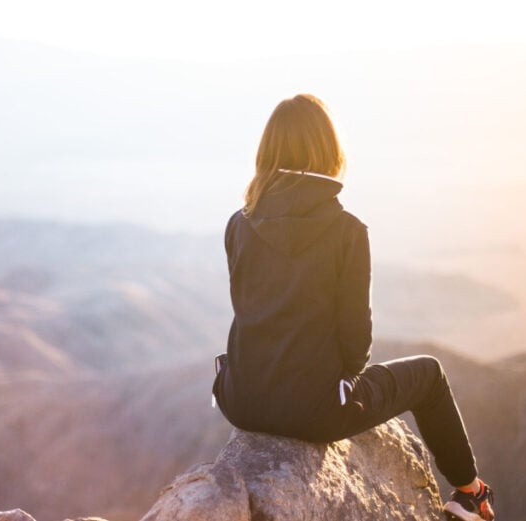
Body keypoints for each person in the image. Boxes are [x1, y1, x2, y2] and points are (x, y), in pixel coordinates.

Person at [211, 94, 495, 521]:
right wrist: (334, 385)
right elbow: (356, 346)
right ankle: (470, 493)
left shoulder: (239, 223)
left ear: (267, 152)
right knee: (430, 374)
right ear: (329, 151)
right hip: (315, 412)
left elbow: (249, 310)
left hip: (240, 399)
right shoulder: (347, 232)